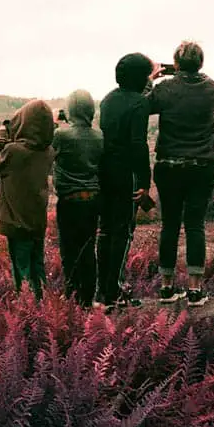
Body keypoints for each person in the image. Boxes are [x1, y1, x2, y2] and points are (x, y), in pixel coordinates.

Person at [148, 41, 214, 307]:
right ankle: (195, 290)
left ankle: (166, 287)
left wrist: (152, 79)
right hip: (201, 166)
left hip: (169, 165)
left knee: (169, 225)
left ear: (177, 64)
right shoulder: (211, 89)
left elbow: (145, 105)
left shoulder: (165, 89)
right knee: (195, 225)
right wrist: (199, 75)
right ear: (201, 63)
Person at [96, 53, 155, 308]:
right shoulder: (139, 104)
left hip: (104, 170)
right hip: (126, 174)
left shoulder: (108, 99)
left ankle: (102, 291)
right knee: (123, 232)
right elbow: (138, 145)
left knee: (106, 230)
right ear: (141, 77)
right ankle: (114, 291)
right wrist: (145, 179)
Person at [0, 99, 56, 300]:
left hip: (17, 220)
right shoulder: (47, 151)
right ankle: (44, 309)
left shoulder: (14, 151)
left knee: (22, 271)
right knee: (37, 265)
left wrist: (1, 139)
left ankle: (28, 314)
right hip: (37, 218)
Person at [51, 90, 102, 307]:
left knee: (69, 249)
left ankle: (72, 296)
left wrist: (54, 122)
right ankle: (89, 297)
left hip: (69, 200)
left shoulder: (61, 135)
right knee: (88, 248)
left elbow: (47, 148)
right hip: (92, 200)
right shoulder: (99, 136)